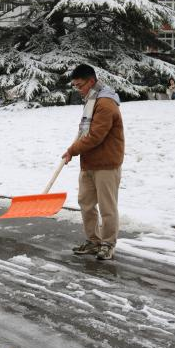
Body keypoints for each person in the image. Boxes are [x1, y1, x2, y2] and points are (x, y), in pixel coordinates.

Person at [62, 65, 124, 261]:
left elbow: (96, 136)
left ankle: (108, 244)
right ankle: (93, 241)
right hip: (89, 162)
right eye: (75, 86)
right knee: (86, 203)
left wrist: (73, 150)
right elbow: (85, 131)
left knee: (107, 207)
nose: (78, 89)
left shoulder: (105, 103)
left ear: (91, 81)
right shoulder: (91, 100)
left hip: (106, 163)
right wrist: (75, 149)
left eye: (80, 85)